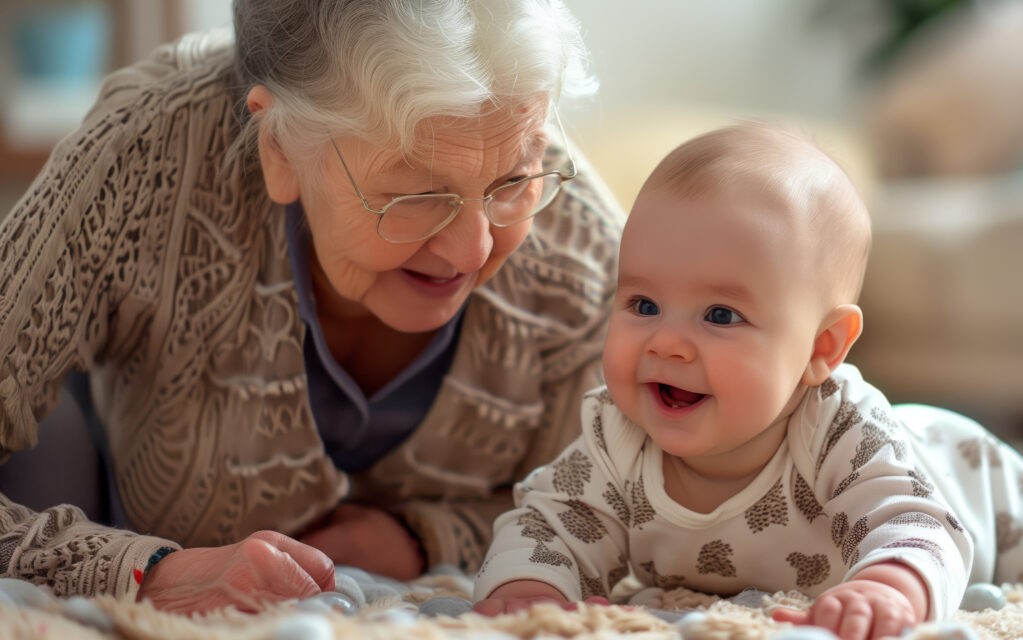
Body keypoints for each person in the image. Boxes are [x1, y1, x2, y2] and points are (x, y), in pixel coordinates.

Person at [470, 123, 1023, 639]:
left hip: (963, 483)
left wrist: (892, 587)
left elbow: (922, 524)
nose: (666, 342)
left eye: (721, 316)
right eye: (642, 304)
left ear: (821, 347)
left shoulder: (839, 429)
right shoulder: (617, 435)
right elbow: (548, 521)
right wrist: (528, 587)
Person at [0, 0, 623, 615]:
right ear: (278, 144)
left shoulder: (585, 254)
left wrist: (427, 536)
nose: (476, 247)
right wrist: (143, 571)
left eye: (513, 180)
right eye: (416, 193)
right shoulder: (142, 155)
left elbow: (652, 510)